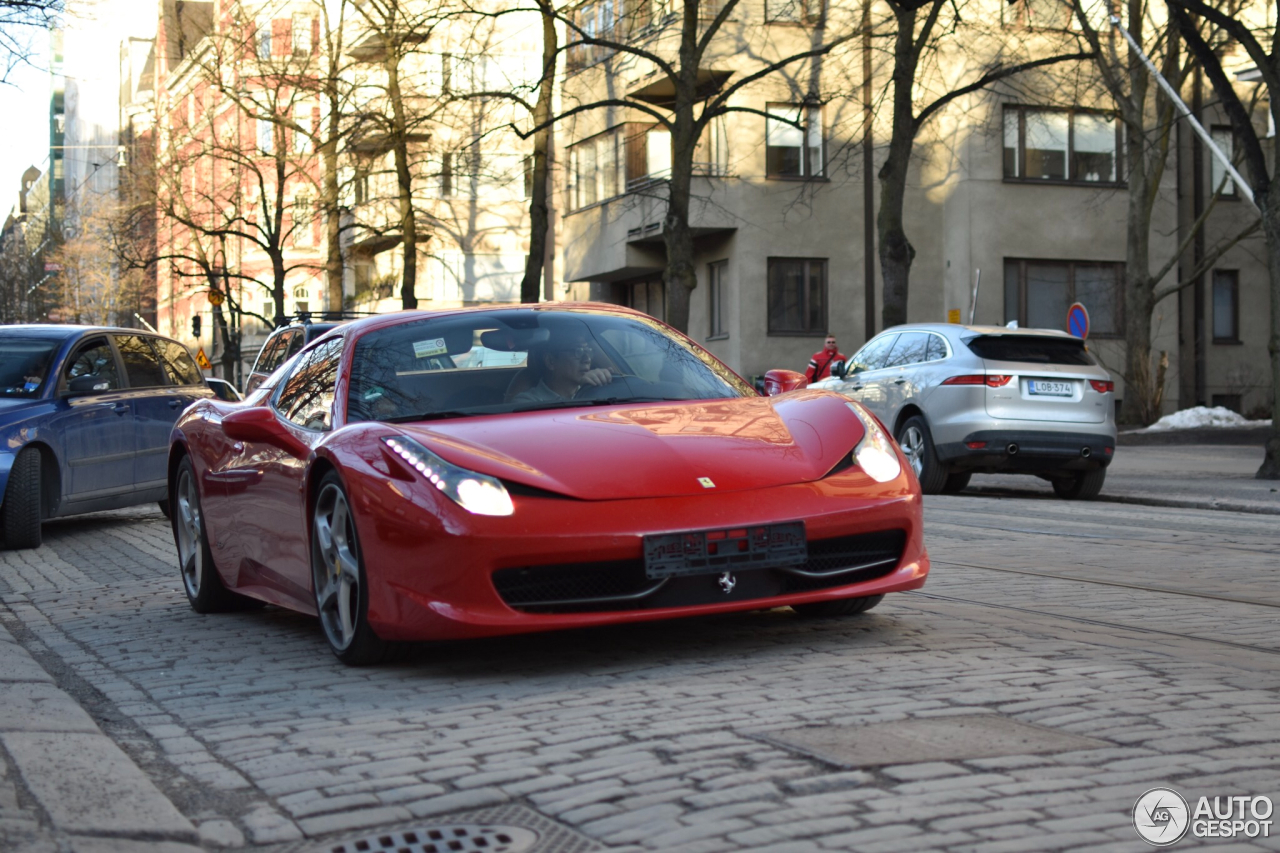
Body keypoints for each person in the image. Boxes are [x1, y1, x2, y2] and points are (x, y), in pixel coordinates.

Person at [512, 330, 613, 406]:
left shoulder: (596, 392)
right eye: (577, 351)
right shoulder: (527, 403)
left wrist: (589, 390)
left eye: (588, 351)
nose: (587, 359)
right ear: (550, 361)